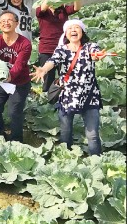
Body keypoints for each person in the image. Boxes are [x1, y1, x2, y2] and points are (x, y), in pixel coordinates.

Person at [31, 19, 106, 155]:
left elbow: (95, 54)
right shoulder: (62, 50)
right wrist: (43, 70)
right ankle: (67, 158)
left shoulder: (90, 47)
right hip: (68, 95)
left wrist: (97, 56)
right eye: (70, 28)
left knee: (93, 135)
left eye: (77, 27)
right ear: (65, 33)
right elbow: (52, 61)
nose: (73, 30)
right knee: (66, 133)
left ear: (82, 31)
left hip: (89, 96)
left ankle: (97, 160)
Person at [0, 11, 32, 142]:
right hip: (0, 83)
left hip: (19, 83)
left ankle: (16, 140)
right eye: (3, 21)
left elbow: (20, 64)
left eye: (10, 20)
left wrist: (10, 77)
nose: (6, 23)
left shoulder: (25, 43)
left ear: (16, 23)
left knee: (14, 112)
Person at [35, 0, 82, 91]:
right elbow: (43, 7)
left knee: (65, 75)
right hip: (46, 49)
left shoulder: (63, 11)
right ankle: (48, 99)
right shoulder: (42, 12)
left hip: (63, 48)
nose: (58, 1)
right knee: (47, 77)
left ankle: (63, 98)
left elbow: (76, 7)